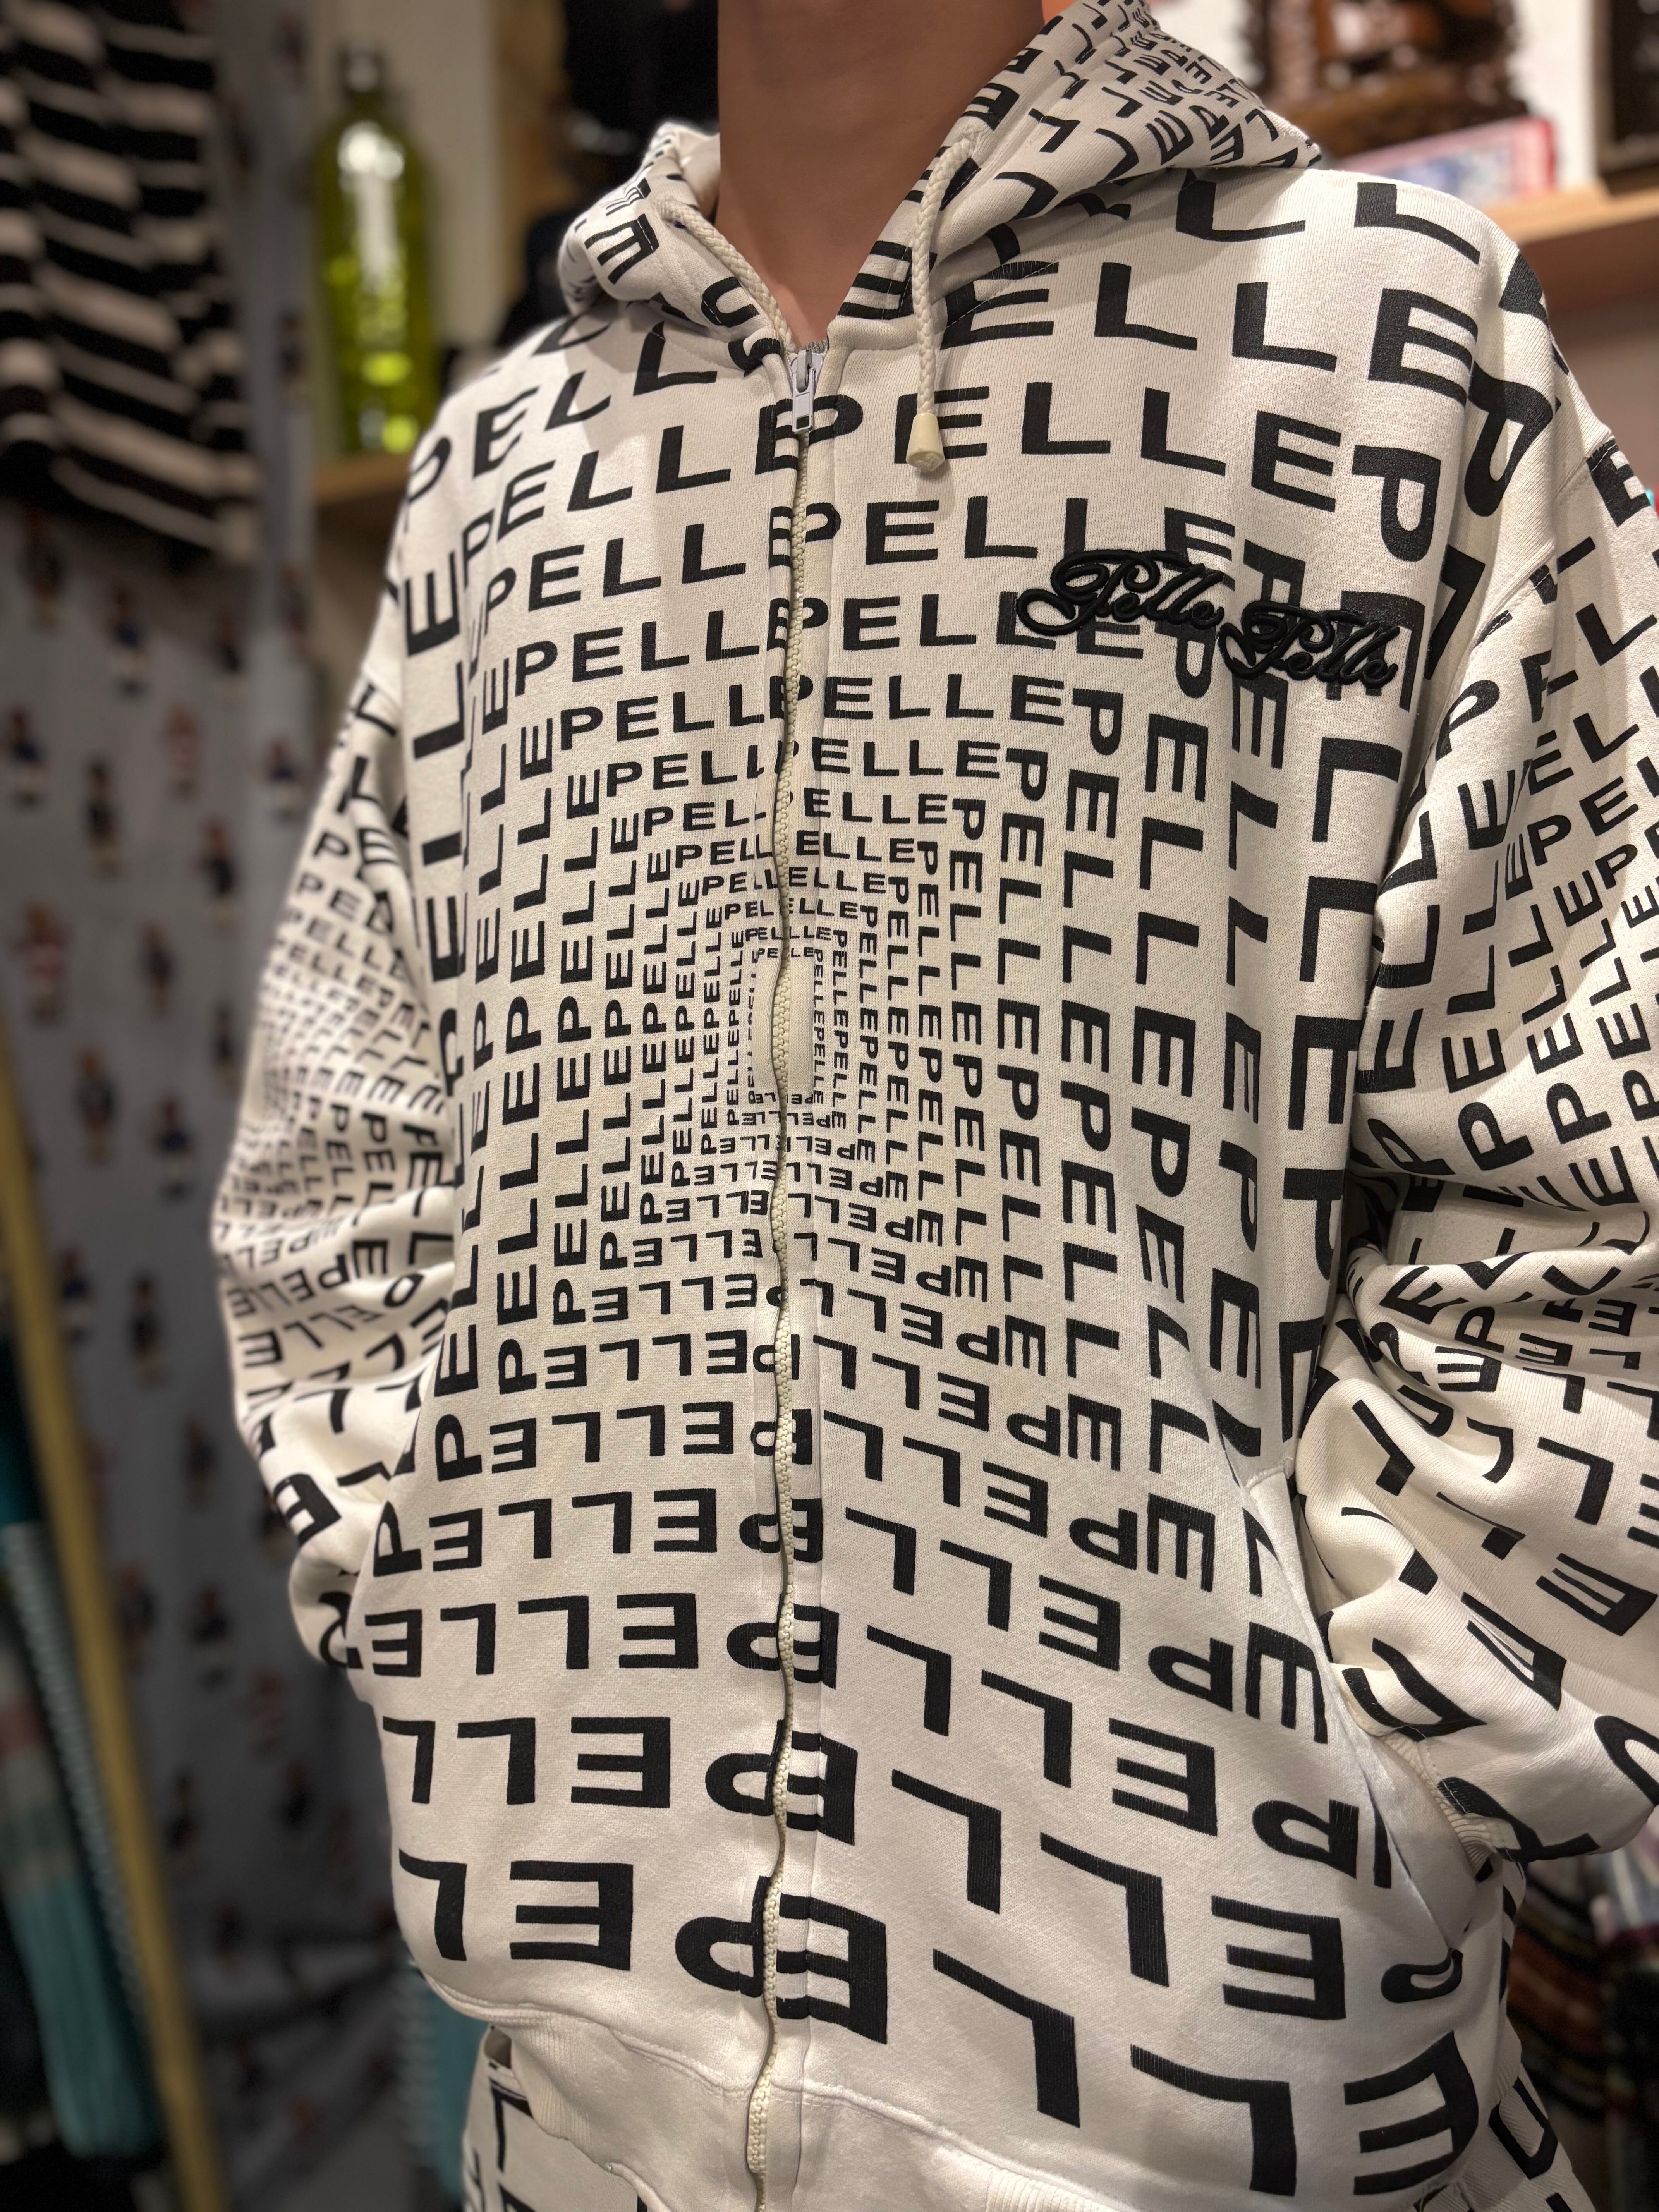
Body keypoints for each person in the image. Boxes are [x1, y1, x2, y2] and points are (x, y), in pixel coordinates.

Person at [213, 4, 1659, 2207]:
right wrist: (459, 1631)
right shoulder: (502, 478)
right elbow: (338, 1170)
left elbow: (1606, 1192)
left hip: (1246, 2144)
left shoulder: (1385, 344)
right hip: (584, 2136)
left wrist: (1357, 1802)